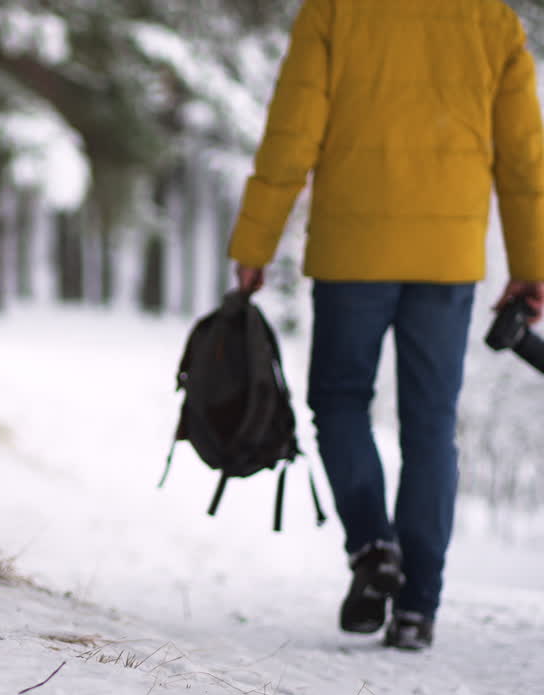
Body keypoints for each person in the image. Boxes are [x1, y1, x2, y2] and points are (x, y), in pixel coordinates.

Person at [228, 0, 544, 651]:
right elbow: (523, 157)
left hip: (353, 251)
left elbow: (292, 134)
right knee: (431, 425)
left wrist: (255, 243)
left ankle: (374, 548)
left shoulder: (336, 12)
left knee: (340, 400)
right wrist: (531, 265)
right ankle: (417, 609)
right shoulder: (492, 21)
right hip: (447, 259)